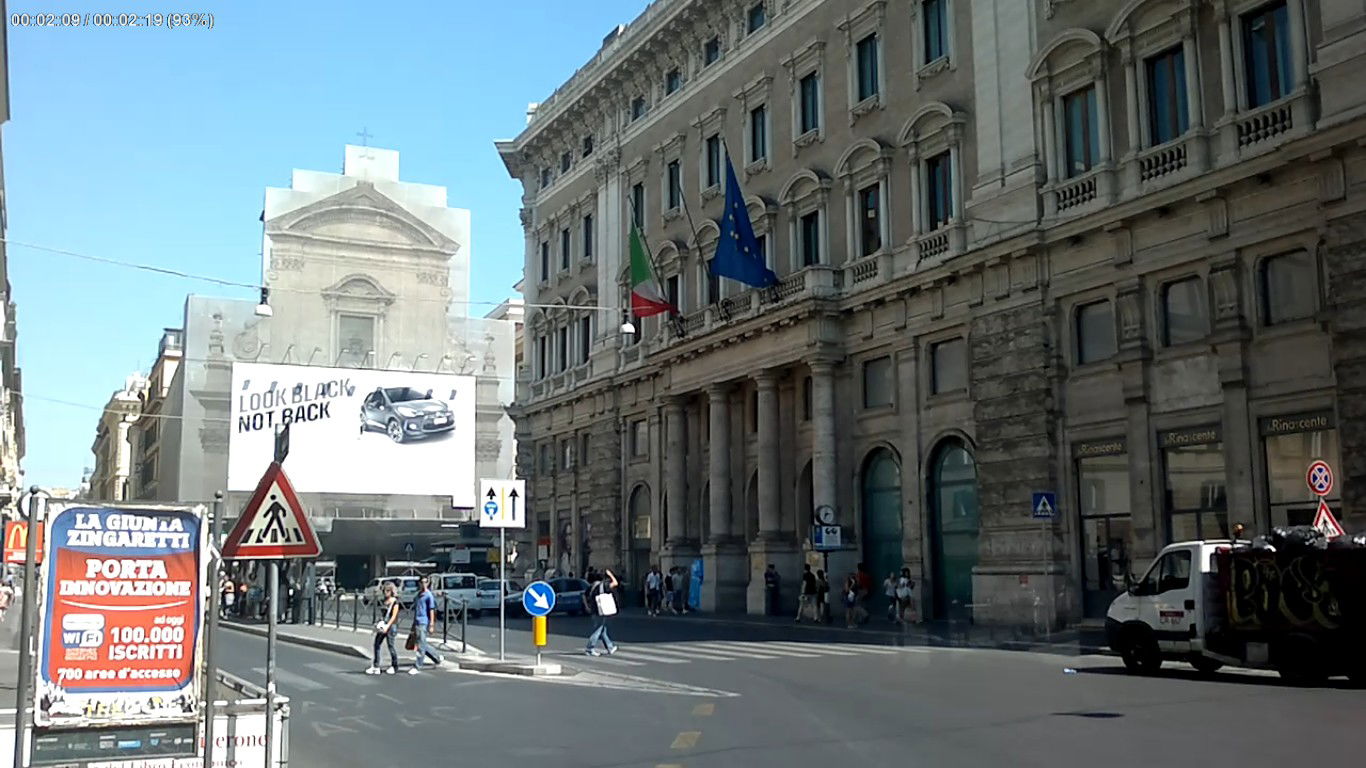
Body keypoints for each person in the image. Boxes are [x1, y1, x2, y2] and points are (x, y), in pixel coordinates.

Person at [407, 575, 443, 675]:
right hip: (417, 621)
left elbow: (431, 610)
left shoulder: (429, 595)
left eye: (425, 582)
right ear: (419, 583)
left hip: (423, 622)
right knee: (421, 643)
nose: (423, 584)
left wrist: (431, 624)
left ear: (428, 583)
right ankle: (437, 657)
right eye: (422, 582)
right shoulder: (418, 595)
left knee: (420, 645)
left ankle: (418, 665)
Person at [583, 569, 620, 656]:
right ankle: (589, 648)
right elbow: (615, 583)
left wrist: (587, 606)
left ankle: (610, 647)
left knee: (603, 630)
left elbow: (584, 595)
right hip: (601, 610)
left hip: (594, 609)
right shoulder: (604, 585)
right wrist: (611, 575)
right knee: (598, 629)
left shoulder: (592, 586)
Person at [366, 583, 400, 675]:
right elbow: (383, 615)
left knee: (391, 646)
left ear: (392, 591)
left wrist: (387, 626)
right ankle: (376, 666)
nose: (385, 592)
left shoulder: (395, 602)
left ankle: (394, 666)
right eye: (384, 590)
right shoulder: (384, 601)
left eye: (387, 590)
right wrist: (378, 623)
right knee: (377, 644)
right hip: (383, 625)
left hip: (391, 626)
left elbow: (394, 616)